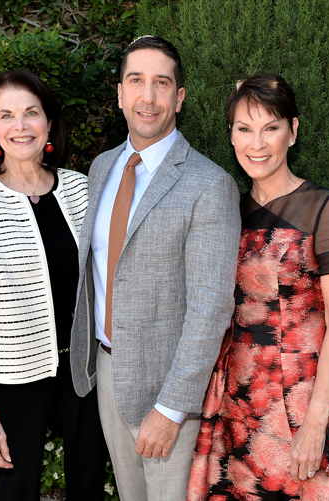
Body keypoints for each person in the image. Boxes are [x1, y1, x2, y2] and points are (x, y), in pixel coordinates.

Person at [187, 74, 329, 500]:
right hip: (235, 402)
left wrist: (314, 423)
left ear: (293, 130)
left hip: (305, 399)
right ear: (231, 135)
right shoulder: (227, 212)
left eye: (270, 128)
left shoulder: (325, 209)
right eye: (244, 128)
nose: (256, 144)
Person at [68, 36, 241, 501]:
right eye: (136, 81)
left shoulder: (209, 185)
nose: (148, 96)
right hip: (108, 372)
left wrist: (171, 408)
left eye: (161, 83)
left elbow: (210, 307)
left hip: (169, 388)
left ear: (179, 98)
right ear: (120, 93)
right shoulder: (102, 168)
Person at [0, 70, 107, 501]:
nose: (21, 126)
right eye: (7, 115)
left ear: (48, 122)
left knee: (89, 486)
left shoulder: (83, 190)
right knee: (16, 489)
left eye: (31, 113)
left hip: (84, 373)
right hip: (13, 378)